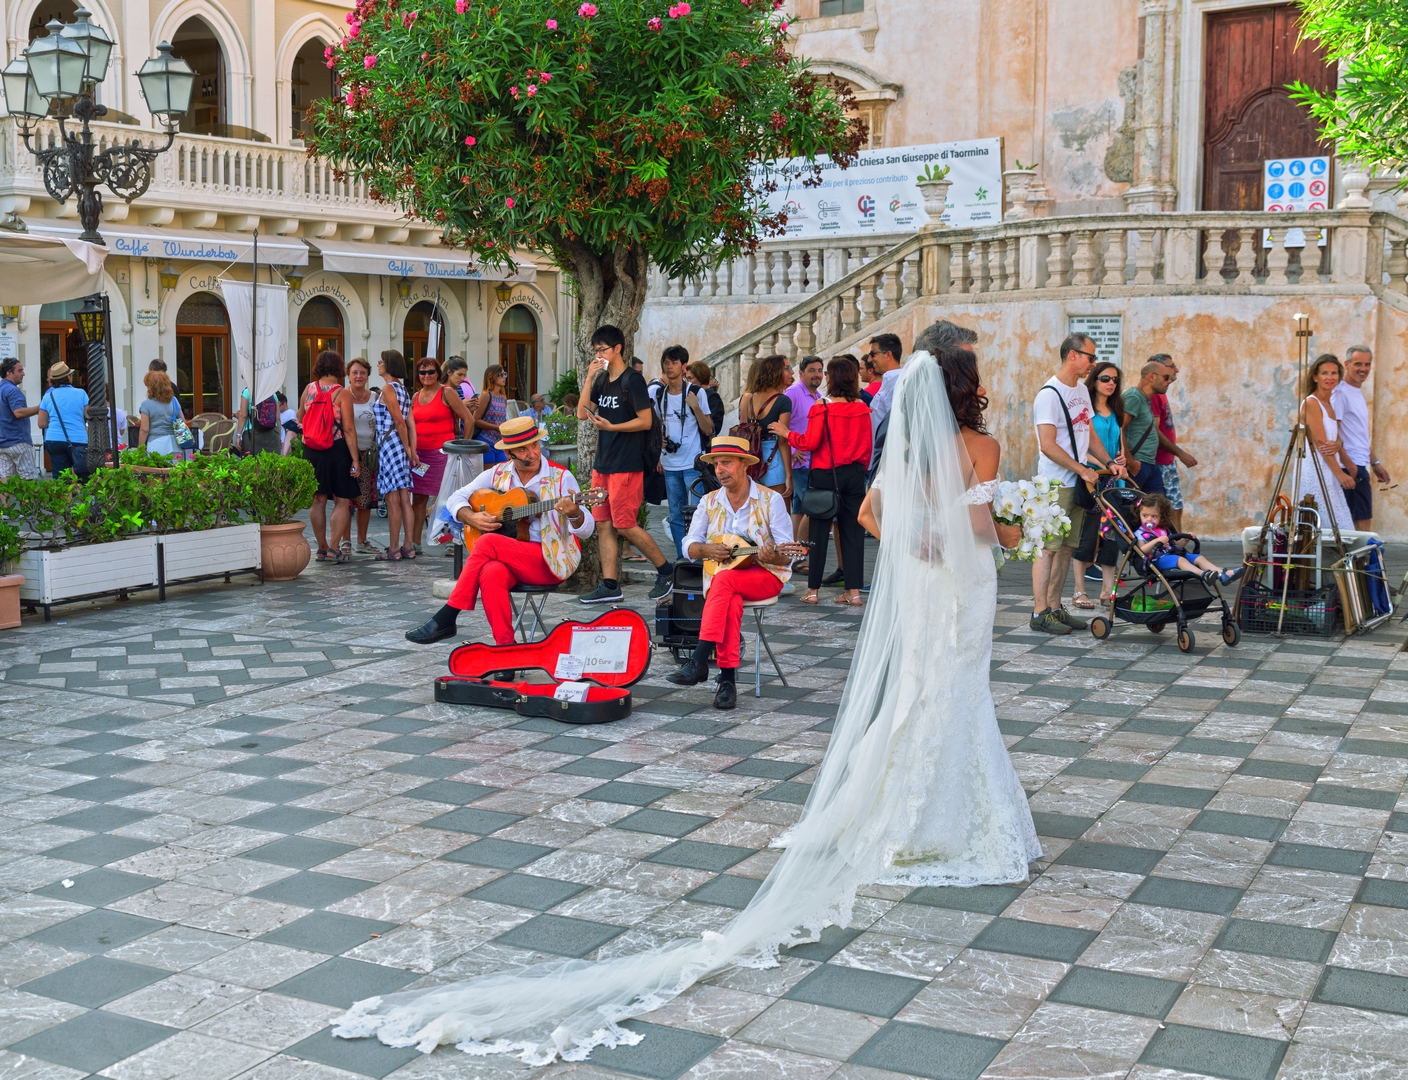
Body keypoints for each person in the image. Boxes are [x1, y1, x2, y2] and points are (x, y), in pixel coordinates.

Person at [334, 344, 1040, 1065]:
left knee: (926, 689)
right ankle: (939, 808)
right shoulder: (978, 446)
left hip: (927, 585)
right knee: (951, 688)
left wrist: (916, 547)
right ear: (966, 390)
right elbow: (981, 530)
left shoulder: (909, 453)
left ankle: (896, 794)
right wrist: (1022, 531)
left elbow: (871, 517)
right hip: (962, 585)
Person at [405, 416, 595, 645]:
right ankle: (506, 650)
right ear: (509, 454)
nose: (532, 454)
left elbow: (587, 531)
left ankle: (448, 615)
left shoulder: (561, 477)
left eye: (534, 445)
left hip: (548, 559)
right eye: (522, 450)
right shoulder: (497, 473)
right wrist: (471, 516)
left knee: (487, 543)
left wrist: (575, 513)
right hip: (509, 558)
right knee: (491, 571)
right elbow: (455, 498)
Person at [666, 436, 797, 708]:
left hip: (766, 576)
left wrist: (774, 554)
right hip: (724, 581)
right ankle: (727, 681)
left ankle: (699, 660)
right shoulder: (709, 501)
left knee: (723, 581)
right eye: (716, 464)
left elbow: (788, 556)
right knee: (731, 599)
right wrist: (706, 550)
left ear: (744, 465)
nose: (720, 470)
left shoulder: (770, 500)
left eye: (726, 463)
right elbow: (689, 544)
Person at [1031, 334, 1124, 636]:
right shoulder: (1049, 394)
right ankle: (1040, 611)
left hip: (1079, 484)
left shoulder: (1082, 392)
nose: (1093, 364)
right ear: (1073, 355)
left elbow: (1088, 436)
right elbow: (1047, 445)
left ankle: (1056, 607)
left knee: (1067, 549)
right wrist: (1082, 469)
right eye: (1090, 357)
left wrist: (1108, 462)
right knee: (1047, 549)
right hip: (1054, 484)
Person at [576, 325, 674, 603]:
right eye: (595, 350)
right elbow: (584, 414)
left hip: (626, 464)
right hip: (603, 463)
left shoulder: (633, 380)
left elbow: (645, 421)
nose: (598, 354)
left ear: (617, 348)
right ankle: (610, 584)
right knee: (604, 524)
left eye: (602, 349)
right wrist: (589, 377)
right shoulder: (602, 379)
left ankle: (666, 571)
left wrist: (613, 426)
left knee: (624, 524)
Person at [774, 355, 871, 605]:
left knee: (817, 532)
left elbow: (810, 443)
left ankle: (813, 591)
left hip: (826, 474)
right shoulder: (862, 407)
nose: (824, 376)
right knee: (852, 533)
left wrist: (788, 434)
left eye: (827, 373)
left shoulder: (823, 407)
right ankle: (854, 593)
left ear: (833, 378)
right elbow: (867, 447)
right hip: (855, 474)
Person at [648, 344, 714, 561]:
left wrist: (695, 407)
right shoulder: (659, 394)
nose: (669, 367)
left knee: (698, 515)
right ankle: (682, 558)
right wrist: (659, 449)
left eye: (674, 363)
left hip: (692, 465)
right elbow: (656, 425)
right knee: (675, 515)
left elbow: (708, 429)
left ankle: (699, 558)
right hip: (670, 464)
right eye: (666, 363)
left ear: (684, 366)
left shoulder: (697, 393)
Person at [1072, 361, 1129, 609]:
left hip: (1114, 480)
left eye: (1115, 380)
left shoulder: (1117, 410)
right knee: (1086, 534)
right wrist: (1104, 464)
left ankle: (1108, 590)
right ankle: (1078, 591)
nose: (1111, 384)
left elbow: (1119, 444)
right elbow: (1081, 448)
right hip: (1091, 478)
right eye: (1105, 378)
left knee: (1113, 536)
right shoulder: (1084, 410)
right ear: (1094, 380)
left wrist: (1122, 459)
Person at [411, 356, 477, 552]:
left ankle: (451, 540)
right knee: (419, 499)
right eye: (422, 372)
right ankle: (416, 543)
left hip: (443, 453)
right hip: (420, 455)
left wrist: (462, 449)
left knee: (447, 498)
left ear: (438, 373)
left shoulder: (446, 392)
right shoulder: (415, 396)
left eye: (431, 371)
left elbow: (469, 419)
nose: (427, 375)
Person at [299, 350, 360, 564]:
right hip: (336, 448)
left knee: (318, 500)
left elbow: (300, 418)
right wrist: (355, 459)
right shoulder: (341, 393)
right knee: (342, 500)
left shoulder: (309, 389)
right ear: (339, 368)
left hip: (312, 450)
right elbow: (349, 429)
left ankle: (322, 548)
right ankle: (335, 547)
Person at [1332, 345, 1390, 530]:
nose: (1363, 369)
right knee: (1361, 525)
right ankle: (1362, 560)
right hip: (1351, 466)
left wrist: (1374, 463)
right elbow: (1334, 433)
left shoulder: (1355, 392)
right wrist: (1349, 465)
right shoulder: (1340, 392)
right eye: (1358, 364)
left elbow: (1357, 435)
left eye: (1367, 364)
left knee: (1360, 522)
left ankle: (1360, 559)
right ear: (1346, 364)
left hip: (1359, 463)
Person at [1299, 354, 1357, 531]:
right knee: (1322, 519)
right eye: (1325, 373)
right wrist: (1340, 474)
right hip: (1315, 467)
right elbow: (1320, 443)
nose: (1330, 377)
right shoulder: (1312, 402)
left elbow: (1335, 437)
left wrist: (1341, 450)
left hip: (1329, 467)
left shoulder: (1329, 403)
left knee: (1337, 517)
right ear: (1315, 377)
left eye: (1334, 373)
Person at [1135, 493, 1242, 586]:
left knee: (1198, 557)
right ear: (1139, 515)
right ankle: (1203, 575)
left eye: (1154, 516)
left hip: (1173, 554)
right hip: (1157, 559)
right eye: (1145, 515)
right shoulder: (1140, 532)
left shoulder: (1163, 530)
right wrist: (1155, 541)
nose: (1149, 519)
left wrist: (1186, 539)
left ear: (1161, 517)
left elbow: (1175, 545)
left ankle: (1223, 574)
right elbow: (1142, 550)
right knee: (1181, 560)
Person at [374, 351, 417, 560]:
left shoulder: (388, 388)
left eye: (381, 361)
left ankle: (393, 549)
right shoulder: (404, 390)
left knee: (392, 501)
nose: (378, 364)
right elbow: (411, 424)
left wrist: (408, 447)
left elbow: (399, 421)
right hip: (400, 447)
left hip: (390, 446)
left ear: (389, 364)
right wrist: (411, 449)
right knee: (404, 499)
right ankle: (408, 546)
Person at [1147, 353, 1197, 531]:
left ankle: (1175, 545)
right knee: (1167, 508)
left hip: (1166, 460)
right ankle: (1171, 546)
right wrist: (1181, 453)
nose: (1176, 370)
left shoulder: (1161, 393)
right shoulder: (1153, 395)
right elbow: (1154, 431)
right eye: (1171, 366)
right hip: (1159, 461)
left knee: (1174, 507)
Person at [784, 355, 825, 551]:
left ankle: (793, 552)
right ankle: (800, 552)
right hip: (800, 463)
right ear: (801, 373)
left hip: (812, 462)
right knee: (813, 507)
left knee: (800, 508)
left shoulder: (818, 396)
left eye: (819, 371)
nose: (817, 375)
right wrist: (792, 450)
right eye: (812, 370)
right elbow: (780, 425)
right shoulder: (792, 393)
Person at [738, 354, 792, 499]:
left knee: (755, 512)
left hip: (751, 457)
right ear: (776, 372)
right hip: (772, 457)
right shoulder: (783, 401)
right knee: (780, 513)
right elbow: (782, 441)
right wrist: (788, 475)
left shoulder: (747, 398)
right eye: (786, 368)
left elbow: (743, 432)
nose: (791, 372)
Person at [342, 358, 381, 554]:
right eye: (355, 372)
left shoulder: (375, 396)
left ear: (368, 375)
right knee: (345, 499)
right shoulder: (341, 395)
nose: (358, 376)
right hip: (346, 453)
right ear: (348, 375)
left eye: (362, 372)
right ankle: (345, 540)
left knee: (365, 500)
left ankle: (362, 541)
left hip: (369, 454)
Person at [1121, 360, 1170, 496]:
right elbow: (1119, 428)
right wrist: (1130, 461)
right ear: (1152, 377)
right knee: (1129, 510)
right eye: (1166, 377)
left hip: (1149, 465)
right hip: (1138, 465)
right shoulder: (1134, 397)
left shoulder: (1144, 399)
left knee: (1158, 509)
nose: (1169, 381)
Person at [37, 362, 90, 479]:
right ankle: (80, 496)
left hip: (54, 439)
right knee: (83, 476)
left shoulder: (48, 396)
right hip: (78, 439)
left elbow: (41, 423)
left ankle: (65, 497)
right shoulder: (81, 394)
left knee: (60, 478)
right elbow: (89, 415)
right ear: (69, 377)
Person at [865, 333, 904, 467]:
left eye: (873, 354)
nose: (870, 359)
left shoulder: (898, 383)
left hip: (887, 460)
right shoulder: (889, 380)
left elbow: (896, 426)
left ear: (888, 355)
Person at [0, 359, 40, 479]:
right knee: (29, 478)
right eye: (20, 371)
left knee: (5, 480)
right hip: (18, 440)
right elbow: (18, 412)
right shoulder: (13, 390)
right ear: (9, 373)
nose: (23, 374)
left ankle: (4, 499)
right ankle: (27, 499)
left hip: (2, 442)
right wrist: (41, 408)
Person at [472, 364, 511, 465]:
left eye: (505, 374)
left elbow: (501, 420)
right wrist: (495, 427)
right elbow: (476, 419)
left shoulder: (503, 398)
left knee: (502, 473)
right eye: (501, 375)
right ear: (492, 377)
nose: (504, 377)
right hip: (485, 440)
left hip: (499, 442)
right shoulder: (486, 395)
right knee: (489, 476)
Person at [138, 370, 179, 457]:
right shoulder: (174, 400)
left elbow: (144, 430)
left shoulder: (146, 404)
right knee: (174, 470)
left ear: (151, 387)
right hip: (175, 443)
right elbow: (182, 420)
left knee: (156, 470)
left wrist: (140, 448)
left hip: (156, 444)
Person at [235, 386, 283, 456]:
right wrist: (279, 438)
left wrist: (238, 435)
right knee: (271, 463)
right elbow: (278, 418)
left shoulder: (247, 392)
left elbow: (243, 415)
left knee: (252, 463)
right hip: (272, 434)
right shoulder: (272, 393)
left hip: (253, 434)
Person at [687, 361, 723, 450]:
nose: (687, 382)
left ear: (700, 377)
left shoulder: (712, 397)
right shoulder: (691, 395)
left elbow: (714, 428)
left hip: (703, 447)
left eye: (690, 378)